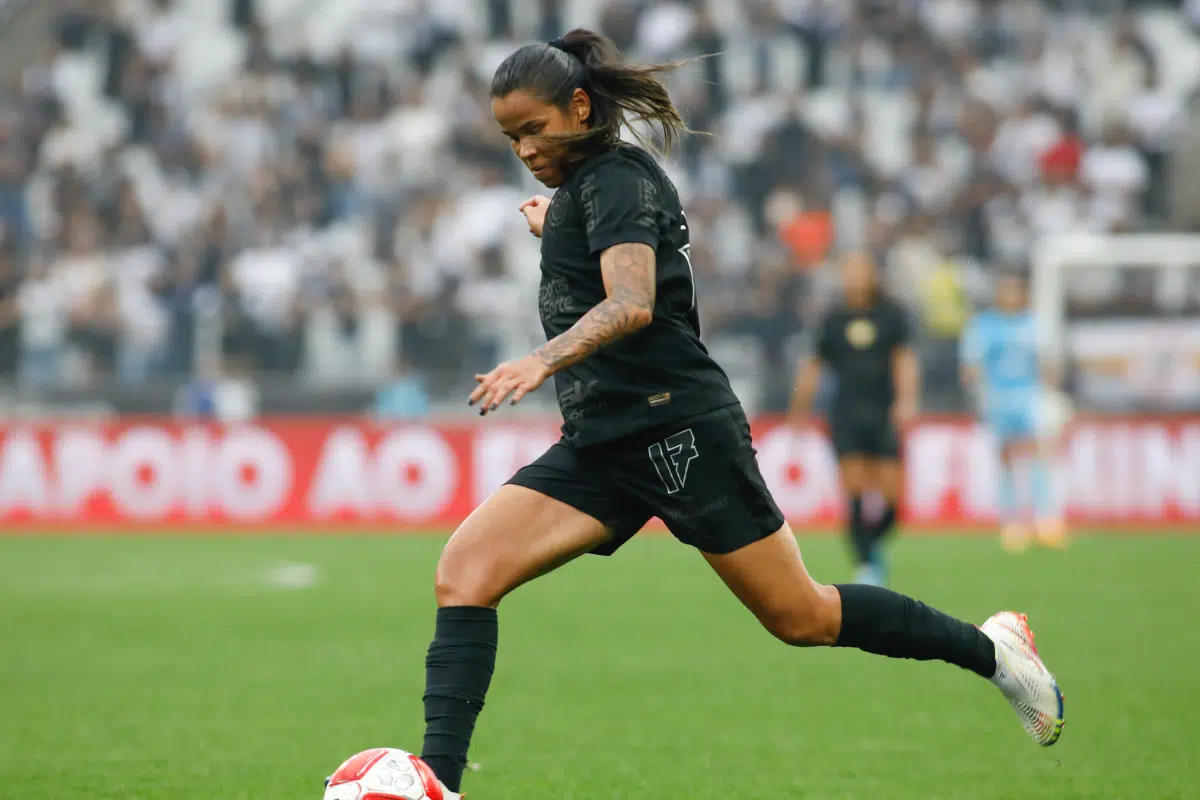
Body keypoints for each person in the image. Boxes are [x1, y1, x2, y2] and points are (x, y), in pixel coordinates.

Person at [409, 30, 1065, 800]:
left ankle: (993, 651)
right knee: (465, 572)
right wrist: (551, 227)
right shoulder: (585, 194)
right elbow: (602, 257)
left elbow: (632, 301)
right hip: (602, 444)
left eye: (533, 129)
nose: (521, 147)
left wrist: (540, 359)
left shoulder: (616, 178)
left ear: (580, 106)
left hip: (679, 431)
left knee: (803, 616)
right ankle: (438, 786)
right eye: (509, 136)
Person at [790, 252, 918, 587]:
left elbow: (903, 360)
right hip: (846, 412)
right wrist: (800, 410)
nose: (854, 277)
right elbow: (813, 365)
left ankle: (871, 547)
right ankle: (866, 566)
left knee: (892, 500)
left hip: (882, 411)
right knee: (855, 491)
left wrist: (906, 401)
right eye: (849, 271)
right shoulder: (833, 319)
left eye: (861, 270)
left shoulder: (892, 315)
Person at [961, 271, 1066, 552]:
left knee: (1035, 453)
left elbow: (1047, 361)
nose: (1010, 296)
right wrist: (972, 379)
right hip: (997, 396)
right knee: (1005, 456)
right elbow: (971, 362)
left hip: (1029, 396)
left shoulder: (1034, 323)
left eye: (1015, 290)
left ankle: (1044, 519)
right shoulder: (983, 325)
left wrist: (1052, 391)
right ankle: (1011, 522)